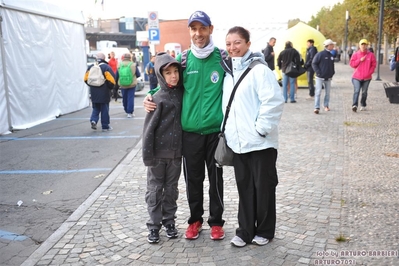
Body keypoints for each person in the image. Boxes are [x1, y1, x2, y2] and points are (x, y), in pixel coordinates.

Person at [143, 10, 226, 241]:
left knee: (216, 180)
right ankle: (195, 220)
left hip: (215, 133)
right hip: (189, 134)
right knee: (193, 180)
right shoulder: (183, 60)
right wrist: (149, 95)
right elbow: (166, 85)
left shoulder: (223, 58)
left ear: (211, 29)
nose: (198, 33)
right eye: (194, 29)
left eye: (202, 28)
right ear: (189, 31)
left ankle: (217, 222)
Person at [221, 26, 284, 248]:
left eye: (237, 42)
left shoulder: (260, 70)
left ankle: (265, 230)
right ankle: (245, 230)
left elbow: (273, 101)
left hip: (261, 143)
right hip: (238, 144)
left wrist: (260, 130)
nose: (232, 48)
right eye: (228, 43)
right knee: (244, 188)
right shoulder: (228, 73)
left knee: (264, 188)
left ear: (248, 44)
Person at [142, 52, 184, 244]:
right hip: (158, 156)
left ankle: (169, 222)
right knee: (155, 190)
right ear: (160, 75)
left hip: (176, 155)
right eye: (168, 73)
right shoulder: (156, 99)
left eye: (176, 71)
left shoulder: (183, 94)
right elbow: (148, 130)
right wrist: (148, 156)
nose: (173, 76)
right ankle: (154, 226)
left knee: (171, 190)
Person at [84, 52, 116, 131]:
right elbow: (112, 80)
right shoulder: (106, 67)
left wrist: (92, 86)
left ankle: (93, 120)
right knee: (104, 109)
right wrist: (109, 88)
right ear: (104, 58)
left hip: (94, 92)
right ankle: (105, 126)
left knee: (96, 108)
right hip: (104, 92)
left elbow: (85, 79)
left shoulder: (91, 66)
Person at [349, 39, 377, 112]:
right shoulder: (355, 54)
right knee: (357, 90)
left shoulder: (371, 55)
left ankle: (363, 104)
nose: (363, 46)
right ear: (359, 45)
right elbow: (352, 64)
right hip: (356, 77)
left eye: (365, 44)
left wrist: (369, 72)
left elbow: (373, 65)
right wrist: (359, 60)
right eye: (362, 44)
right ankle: (354, 105)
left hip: (367, 78)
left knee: (364, 92)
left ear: (367, 45)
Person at [312, 39, 336, 114]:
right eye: (332, 45)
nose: (333, 46)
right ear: (328, 46)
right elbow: (314, 63)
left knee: (327, 93)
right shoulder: (320, 54)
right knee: (318, 92)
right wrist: (318, 72)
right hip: (319, 77)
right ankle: (316, 107)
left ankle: (326, 105)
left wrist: (332, 73)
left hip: (328, 78)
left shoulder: (331, 55)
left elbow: (332, 65)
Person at [116, 53, 141, 118]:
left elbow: (117, 75)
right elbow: (138, 74)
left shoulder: (119, 64)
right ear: (130, 58)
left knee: (124, 97)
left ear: (123, 57)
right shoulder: (133, 65)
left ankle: (126, 109)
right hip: (132, 84)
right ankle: (130, 112)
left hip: (122, 83)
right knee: (130, 97)